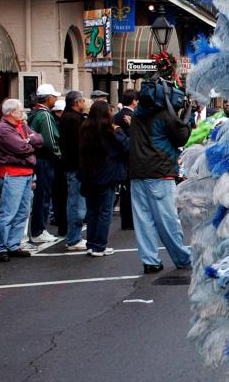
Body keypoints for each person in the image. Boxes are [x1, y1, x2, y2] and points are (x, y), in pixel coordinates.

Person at [129, 80, 194, 274]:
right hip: (160, 171)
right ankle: (182, 257)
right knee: (168, 220)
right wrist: (187, 118)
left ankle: (150, 260)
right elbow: (182, 136)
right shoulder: (165, 115)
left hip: (137, 171)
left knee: (143, 219)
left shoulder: (137, 115)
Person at [0, 99, 43, 261]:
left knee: (23, 212)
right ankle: (2, 247)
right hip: (13, 174)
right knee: (9, 212)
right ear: (11, 113)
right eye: (21, 111)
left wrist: (29, 142)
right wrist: (29, 143)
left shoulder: (21, 124)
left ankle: (14, 245)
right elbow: (21, 148)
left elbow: (39, 140)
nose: (24, 114)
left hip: (26, 172)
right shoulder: (4, 129)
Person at [78, 101, 128, 256]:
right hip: (107, 174)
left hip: (88, 173)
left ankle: (92, 243)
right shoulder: (111, 130)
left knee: (92, 211)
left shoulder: (85, 128)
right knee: (105, 211)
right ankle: (100, 245)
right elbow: (126, 146)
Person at [27, 83, 62, 244]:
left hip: (37, 158)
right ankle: (39, 230)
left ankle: (38, 229)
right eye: (54, 96)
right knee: (43, 196)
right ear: (48, 98)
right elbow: (50, 141)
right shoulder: (45, 115)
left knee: (40, 196)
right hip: (44, 160)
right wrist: (58, 155)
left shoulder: (34, 113)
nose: (56, 99)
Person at [58, 91, 88, 251]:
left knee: (76, 202)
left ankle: (73, 236)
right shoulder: (72, 119)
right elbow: (80, 143)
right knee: (76, 203)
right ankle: (74, 238)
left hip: (73, 165)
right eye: (83, 100)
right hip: (75, 165)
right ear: (77, 102)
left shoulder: (69, 117)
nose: (85, 103)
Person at [113, 89, 138, 230]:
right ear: (134, 101)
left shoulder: (116, 116)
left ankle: (126, 220)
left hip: (118, 157)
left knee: (124, 189)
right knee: (130, 190)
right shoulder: (132, 117)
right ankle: (130, 221)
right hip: (130, 157)